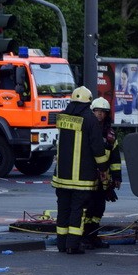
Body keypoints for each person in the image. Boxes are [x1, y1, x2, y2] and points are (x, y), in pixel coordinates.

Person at [51, 86, 107, 254]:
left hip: (61, 178)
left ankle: (61, 244)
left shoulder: (63, 117)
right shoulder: (90, 120)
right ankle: (73, 245)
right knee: (78, 210)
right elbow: (97, 147)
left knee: (63, 210)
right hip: (81, 179)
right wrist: (103, 168)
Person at [82, 97, 121, 249]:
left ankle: (93, 237)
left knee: (99, 209)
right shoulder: (86, 130)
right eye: (96, 111)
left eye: (102, 112)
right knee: (88, 208)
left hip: (103, 180)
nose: (99, 114)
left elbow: (115, 159)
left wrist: (116, 178)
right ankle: (84, 237)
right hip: (88, 177)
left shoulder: (110, 135)